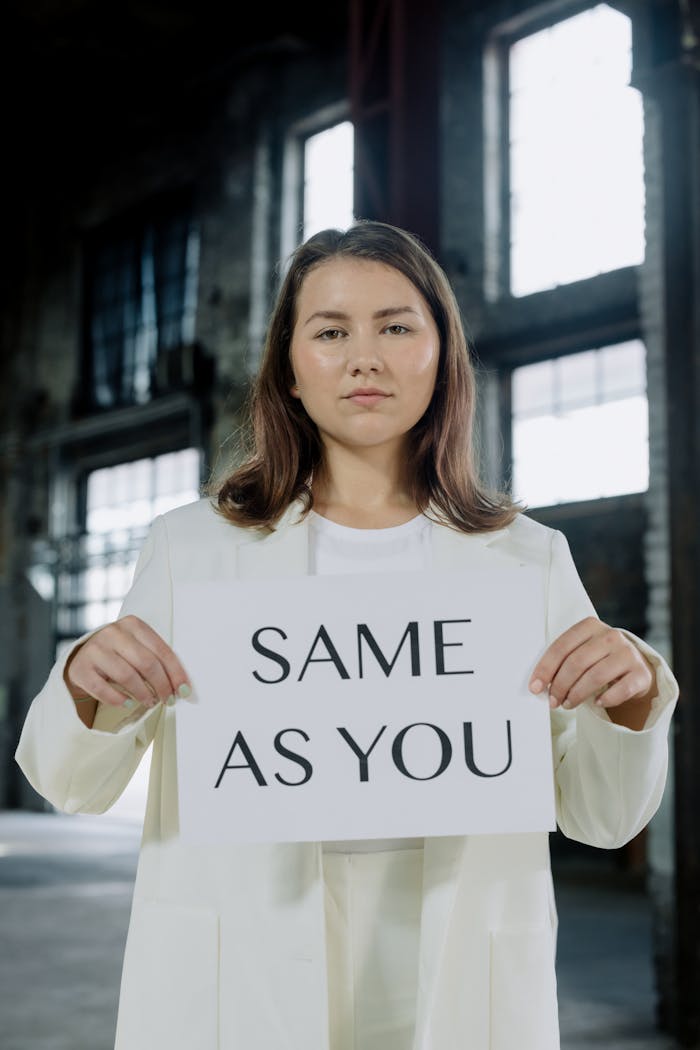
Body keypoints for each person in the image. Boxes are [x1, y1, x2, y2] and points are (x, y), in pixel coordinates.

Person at [15, 220, 678, 1050]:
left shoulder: (527, 558)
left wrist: (631, 700)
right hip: (246, 963)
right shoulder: (193, 550)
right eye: (330, 331)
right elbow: (68, 784)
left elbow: (603, 816)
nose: (365, 357)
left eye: (397, 327)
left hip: (455, 968)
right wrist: (84, 681)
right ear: (289, 369)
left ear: (442, 356)